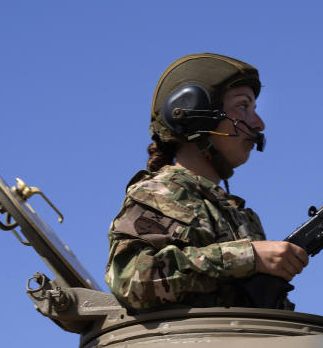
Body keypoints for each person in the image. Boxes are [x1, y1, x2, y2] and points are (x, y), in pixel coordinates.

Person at [105, 53, 309, 311]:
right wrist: (248, 257)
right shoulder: (157, 194)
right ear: (193, 112)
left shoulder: (237, 214)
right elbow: (132, 279)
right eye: (243, 106)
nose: (258, 124)